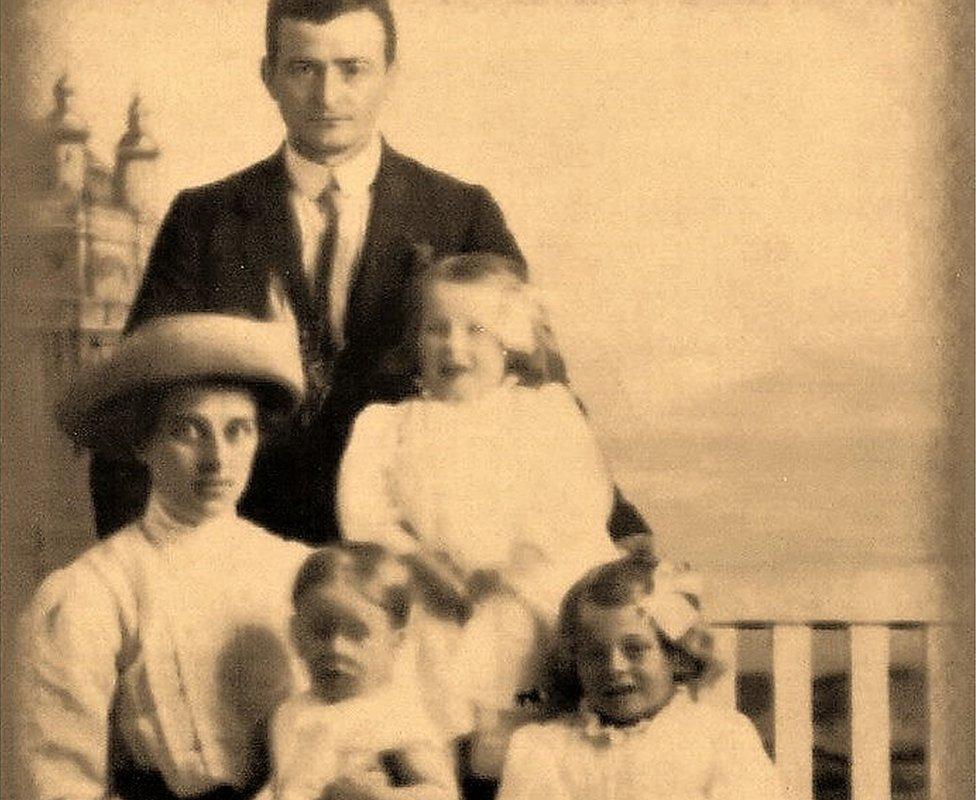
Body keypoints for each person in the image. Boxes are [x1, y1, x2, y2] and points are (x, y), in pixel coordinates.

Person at [90, 0, 651, 546]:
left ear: (390, 74)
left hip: (416, 562)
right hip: (241, 549)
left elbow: (539, 382)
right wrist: (139, 567)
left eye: (352, 69)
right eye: (303, 68)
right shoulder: (204, 219)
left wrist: (623, 535)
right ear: (269, 76)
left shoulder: (461, 213)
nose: (327, 96)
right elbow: (136, 403)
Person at [337, 252, 632, 795]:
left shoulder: (544, 413)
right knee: (427, 725)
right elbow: (365, 515)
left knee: (528, 742)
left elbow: (579, 500)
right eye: (437, 330)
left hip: (524, 595)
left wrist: (516, 563)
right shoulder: (390, 426)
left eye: (476, 330)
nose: (454, 347)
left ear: (509, 340)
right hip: (436, 601)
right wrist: (418, 559)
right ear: (414, 340)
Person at [18, 314, 313, 800]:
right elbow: (59, 778)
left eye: (237, 430)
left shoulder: (294, 571)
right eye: (188, 430)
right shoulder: (95, 590)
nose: (217, 458)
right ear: (142, 442)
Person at [496, 556, 783, 800]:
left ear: (676, 655)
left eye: (635, 650)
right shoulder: (545, 748)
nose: (615, 666)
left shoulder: (721, 737)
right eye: (595, 654)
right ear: (574, 662)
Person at [263, 542, 458, 800]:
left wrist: (377, 796)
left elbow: (442, 794)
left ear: (394, 642)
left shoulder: (391, 713)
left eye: (358, 635)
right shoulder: (291, 712)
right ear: (296, 635)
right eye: (320, 631)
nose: (336, 647)